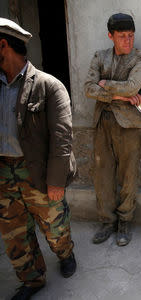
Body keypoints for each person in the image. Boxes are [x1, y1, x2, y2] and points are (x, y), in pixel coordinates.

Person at [0, 18, 77, 299]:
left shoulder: (48, 86)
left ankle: (65, 253)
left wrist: (56, 181)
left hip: (39, 172)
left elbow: (62, 139)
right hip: (3, 174)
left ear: (3, 44)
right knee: (14, 232)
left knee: (55, 228)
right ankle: (32, 279)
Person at [84, 13, 141, 246]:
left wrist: (106, 85)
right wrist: (121, 95)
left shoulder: (140, 59)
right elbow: (88, 89)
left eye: (131, 36)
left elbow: (133, 86)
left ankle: (125, 221)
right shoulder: (99, 57)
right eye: (122, 36)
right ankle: (107, 221)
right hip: (102, 122)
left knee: (128, 175)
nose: (128, 41)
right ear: (110, 36)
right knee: (102, 175)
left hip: (129, 125)